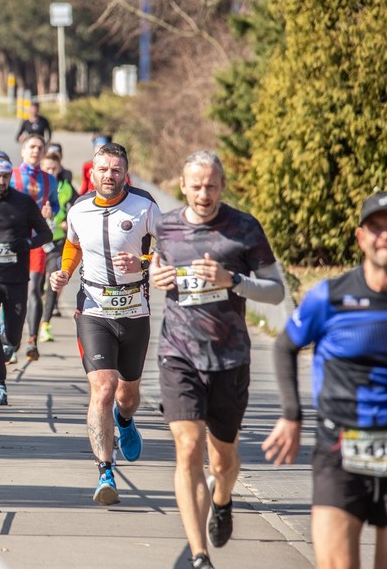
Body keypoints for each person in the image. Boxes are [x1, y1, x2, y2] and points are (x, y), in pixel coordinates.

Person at [148, 151, 285, 569]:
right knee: (187, 447)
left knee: (223, 460)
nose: (203, 194)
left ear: (221, 187)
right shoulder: (166, 227)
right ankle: (199, 555)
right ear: (183, 186)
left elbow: (277, 290)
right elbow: (156, 268)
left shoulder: (244, 228)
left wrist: (235, 281)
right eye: (196, 186)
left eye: (211, 186)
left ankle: (222, 499)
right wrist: (155, 277)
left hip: (229, 358)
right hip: (178, 353)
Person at [262, 191, 387, 569]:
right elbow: (285, 346)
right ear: (361, 238)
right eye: (376, 229)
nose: (385, 237)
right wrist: (291, 415)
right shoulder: (330, 297)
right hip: (340, 449)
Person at [48, 142, 160, 506]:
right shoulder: (79, 209)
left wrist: (144, 263)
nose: (109, 175)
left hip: (134, 310)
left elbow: (170, 248)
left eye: (116, 169)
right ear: (91, 173)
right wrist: (64, 272)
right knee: (103, 387)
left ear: (125, 173)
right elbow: (72, 244)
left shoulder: (145, 206)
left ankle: (125, 421)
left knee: (126, 396)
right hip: (94, 309)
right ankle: (105, 472)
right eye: (103, 169)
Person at [0, 159, 53, 406]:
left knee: (14, 334)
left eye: (5, 177)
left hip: (16, 278)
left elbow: (46, 234)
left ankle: (10, 344)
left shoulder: (24, 202)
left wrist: (28, 244)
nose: (1, 182)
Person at [11, 136, 59, 362]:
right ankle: (8, 338)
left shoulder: (49, 180)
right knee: (9, 290)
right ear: (23, 151)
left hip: (36, 243)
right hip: (12, 241)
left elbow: (55, 205)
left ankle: (31, 340)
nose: (36, 151)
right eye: (32, 147)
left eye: (40, 148)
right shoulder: (11, 175)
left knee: (33, 290)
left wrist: (51, 212)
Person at [37, 149, 76, 342]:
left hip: (56, 241)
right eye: (46, 168)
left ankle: (45, 324)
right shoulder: (34, 186)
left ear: (59, 168)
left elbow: (76, 208)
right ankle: (33, 323)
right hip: (35, 242)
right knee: (35, 286)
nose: (50, 172)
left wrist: (68, 222)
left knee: (53, 280)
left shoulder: (66, 187)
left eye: (54, 168)